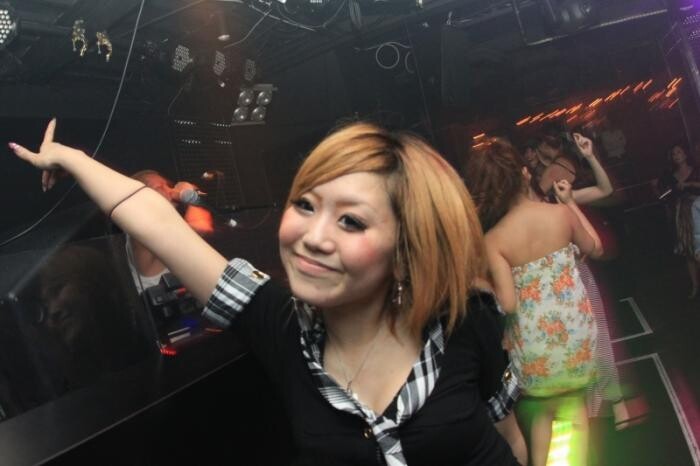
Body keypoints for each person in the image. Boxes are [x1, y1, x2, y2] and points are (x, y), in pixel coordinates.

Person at [10, 119, 520, 466]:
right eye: (305, 205)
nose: (313, 236)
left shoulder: (461, 320)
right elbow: (158, 221)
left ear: (405, 247)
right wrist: (72, 159)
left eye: (350, 221)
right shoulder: (281, 326)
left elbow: (512, 436)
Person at [462, 138, 603, 466]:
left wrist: (475, 280)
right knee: (574, 411)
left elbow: (508, 304)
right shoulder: (560, 215)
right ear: (524, 174)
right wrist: (570, 203)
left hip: (533, 348)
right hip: (575, 337)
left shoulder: (493, 240)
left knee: (541, 414)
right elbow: (594, 247)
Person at [126, 169, 213, 294]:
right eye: (159, 187)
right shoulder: (141, 230)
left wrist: (191, 194)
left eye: (167, 185)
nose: (170, 190)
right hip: (157, 305)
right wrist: (190, 193)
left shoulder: (165, 224)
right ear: (142, 198)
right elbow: (201, 227)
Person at [653, 143, 700, 298]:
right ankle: (695, 286)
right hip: (683, 216)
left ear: (685, 154)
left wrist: (689, 184)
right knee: (688, 251)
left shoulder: (696, 170)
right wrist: (655, 188)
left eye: (679, 152)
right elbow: (663, 196)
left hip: (698, 211)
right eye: (674, 154)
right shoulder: (670, 176)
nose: (676, 156)